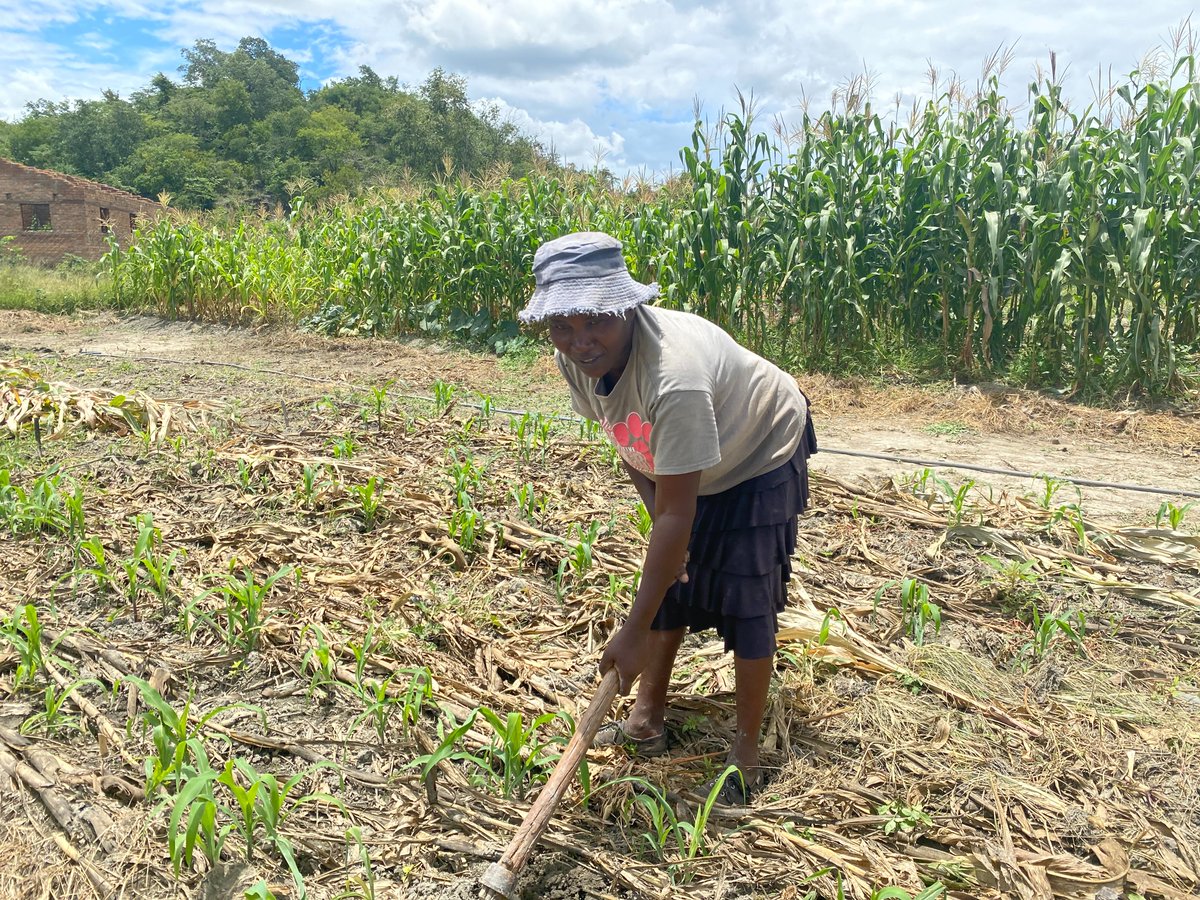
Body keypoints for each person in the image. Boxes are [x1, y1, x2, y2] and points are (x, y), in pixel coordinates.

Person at [518, 231, 817, 804]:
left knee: (748, 596)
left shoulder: (672, 376)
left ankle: (746, 750)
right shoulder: (575, 360)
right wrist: (665, 530)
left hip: (758, 445)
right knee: (670, 581)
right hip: (689, 457)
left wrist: (630, 631)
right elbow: (633, 444)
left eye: (595, 321)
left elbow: (678, 512)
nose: (580, 341)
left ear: (628, 307)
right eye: (564, 326)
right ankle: (647, 713)